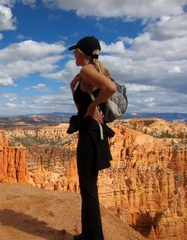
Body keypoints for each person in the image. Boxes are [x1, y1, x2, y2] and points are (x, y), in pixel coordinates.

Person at [68, 36, 117, 240]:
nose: (73, 54)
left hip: (89, 135)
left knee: (88, 189)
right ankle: (89, 234)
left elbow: (111, 89)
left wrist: (91, 105)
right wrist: (75, 85)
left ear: (81, 52)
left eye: (75, 51)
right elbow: (82, 99)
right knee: (90, 188)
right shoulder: (91, 71)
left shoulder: (87, 70)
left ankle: (93, 237)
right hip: (93, 135)